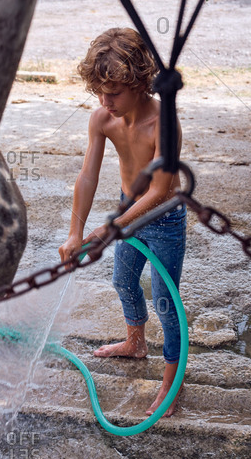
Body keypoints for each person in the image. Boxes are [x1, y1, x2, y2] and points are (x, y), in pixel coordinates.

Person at [59, 27, 186, 417]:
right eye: (99, 91)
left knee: (167, 303)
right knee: (122, 280)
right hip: (127, 213)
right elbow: (87, 176)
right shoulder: (103, 119)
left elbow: (161, 189)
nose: (104, 100)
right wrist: (76, 231)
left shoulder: (162, 123)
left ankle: (173, 380)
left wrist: (110, 228)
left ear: (139, 82)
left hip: (163, 220)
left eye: (113, 92)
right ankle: (135, 343)